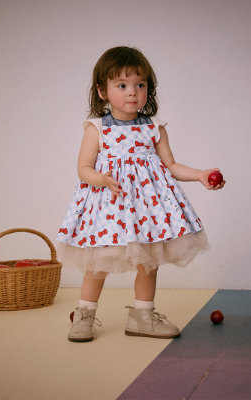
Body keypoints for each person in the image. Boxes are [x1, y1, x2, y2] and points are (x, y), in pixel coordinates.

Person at [57, 46, 225, 342]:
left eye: (140, 85)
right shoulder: (97, 129)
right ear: (102, 91)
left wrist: (199, 174)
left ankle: (142, 316)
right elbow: (83, 169)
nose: (132, 92)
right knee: (98, 263)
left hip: (147, 210)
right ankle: (84, 316)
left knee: (148, 262)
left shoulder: (154, 127)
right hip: (110, 207)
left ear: (149, 88)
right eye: (122, 85)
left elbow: (171, 166)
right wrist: (102, 179)